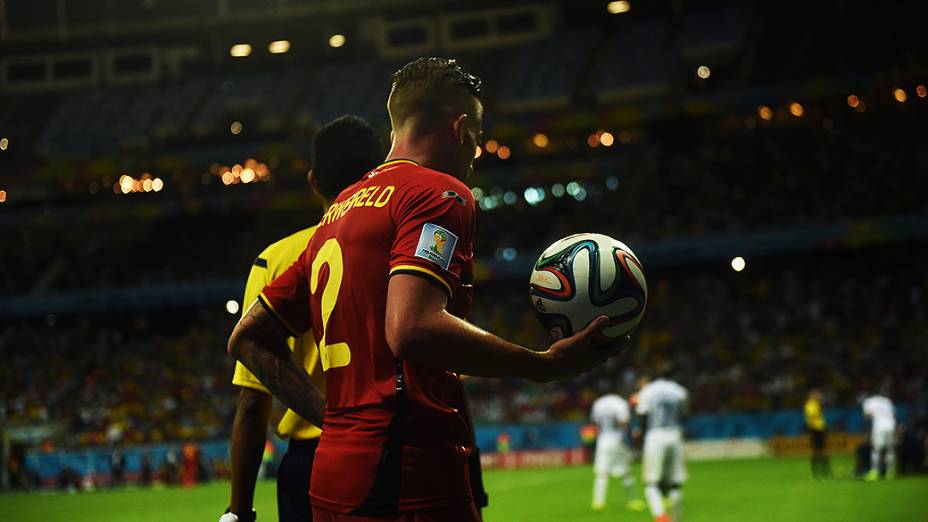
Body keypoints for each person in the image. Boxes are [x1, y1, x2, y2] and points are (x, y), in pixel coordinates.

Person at [227, 57, 623, 522]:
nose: (477, 152)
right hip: (408, 472)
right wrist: (541, 366)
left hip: (334, 475)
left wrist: (331, 418)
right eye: (477, 136)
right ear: (459, 128)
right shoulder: (438, 193)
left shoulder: (336, 217)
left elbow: (247, 338)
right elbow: (411, 328)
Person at [221, 115, 386, 522]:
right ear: (379, 177)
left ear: (314, 181)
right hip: (390, 447)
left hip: (311, 461)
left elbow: (252, 402)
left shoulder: (275, 260)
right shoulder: (399, 247)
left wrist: (239, 511)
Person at [636, 376, 688, 522]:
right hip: (675, 434)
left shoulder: (647, 391)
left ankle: (661, 517)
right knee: (675, 484)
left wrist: (639, 438)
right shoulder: (679, 390)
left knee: (651, 483)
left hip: (655, 435)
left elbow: (642, 416)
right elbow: (684, 414)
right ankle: (675, 519)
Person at [589, 392, 645, 512]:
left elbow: (594, 423)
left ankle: (598, 502)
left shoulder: (598, 403)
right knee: (626, 472)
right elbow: (623, 422)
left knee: (601, 473)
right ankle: (632, 500)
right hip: (617, 440)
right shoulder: (620, 403)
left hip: (603, 440)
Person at [862, 391, 896, 480]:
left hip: (879, 426)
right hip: (891, 425)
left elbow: (867, 415)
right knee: (890, 449)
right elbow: (893, 414)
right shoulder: (887, 400)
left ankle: (875, 472)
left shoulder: (869, 401)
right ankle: (890, 472)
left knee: (876, 449)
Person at [804, 389, 831, 478]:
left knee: (823, 449)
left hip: (820, 429)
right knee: (817, 450)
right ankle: (816, 470)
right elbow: (812, 415)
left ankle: (824, 470)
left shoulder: (816, 404)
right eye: (817, 395)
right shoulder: (810, 404)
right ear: (812, 395)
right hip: (815, 429)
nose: (819, 396)